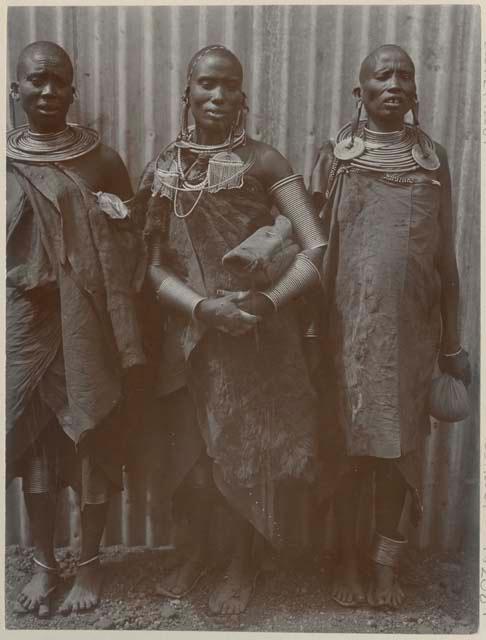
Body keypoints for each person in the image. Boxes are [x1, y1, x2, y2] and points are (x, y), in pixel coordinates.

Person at [137, 44, 326, 615]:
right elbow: (147, 265)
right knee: (194, 456)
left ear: (244, 96)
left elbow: (315, 244)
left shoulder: (266, 162)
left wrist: (268, 301)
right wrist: (199, 308)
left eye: (230, 86)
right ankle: (196, 554)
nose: (218, 96)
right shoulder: (163, 169)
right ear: (188, 92)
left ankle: (244, 564)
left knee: (246, 453)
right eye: (207, 85)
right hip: (190, 335)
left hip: (252, 336)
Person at [311, 44, 471, 609]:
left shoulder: (435, 160)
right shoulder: (335, 157)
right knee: (351, 454)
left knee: (394, 457)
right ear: (361, 92)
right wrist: (311, 334)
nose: (394, 83)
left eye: (405, 75)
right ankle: (349, 564)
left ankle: (384, 570)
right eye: (382, 75)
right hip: (346, 335)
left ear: (415, 95)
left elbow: (445, 259)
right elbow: (316, 252)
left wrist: (452, 343)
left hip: (409, 339)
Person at [7, 41, 146, 618]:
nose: (46, 92)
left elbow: (134, 240)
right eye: (35, 82)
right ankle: (43, 563)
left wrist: (111, 224)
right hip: (24, 322)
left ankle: (88, 563)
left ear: (73, 90)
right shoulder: (4, 160)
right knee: (34, 441)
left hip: (87, 319)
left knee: (92, 437)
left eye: (57, 82)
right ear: (14, 90)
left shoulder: (102, 161)